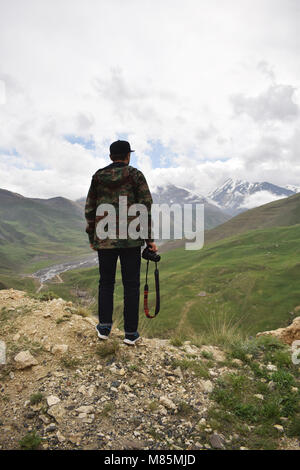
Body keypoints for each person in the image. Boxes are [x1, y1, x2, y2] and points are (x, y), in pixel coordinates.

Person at [84, 140, 157, 345]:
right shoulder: (135, 175)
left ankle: (104, 328)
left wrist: (92, 237)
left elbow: (90, 209)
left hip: (104, 239)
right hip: (131, 241)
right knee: (131, 286)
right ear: (128, 156)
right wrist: (149, 239)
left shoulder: (98, 177)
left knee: (106, 283)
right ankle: (130, 334)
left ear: (110, 157)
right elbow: (145, 207)